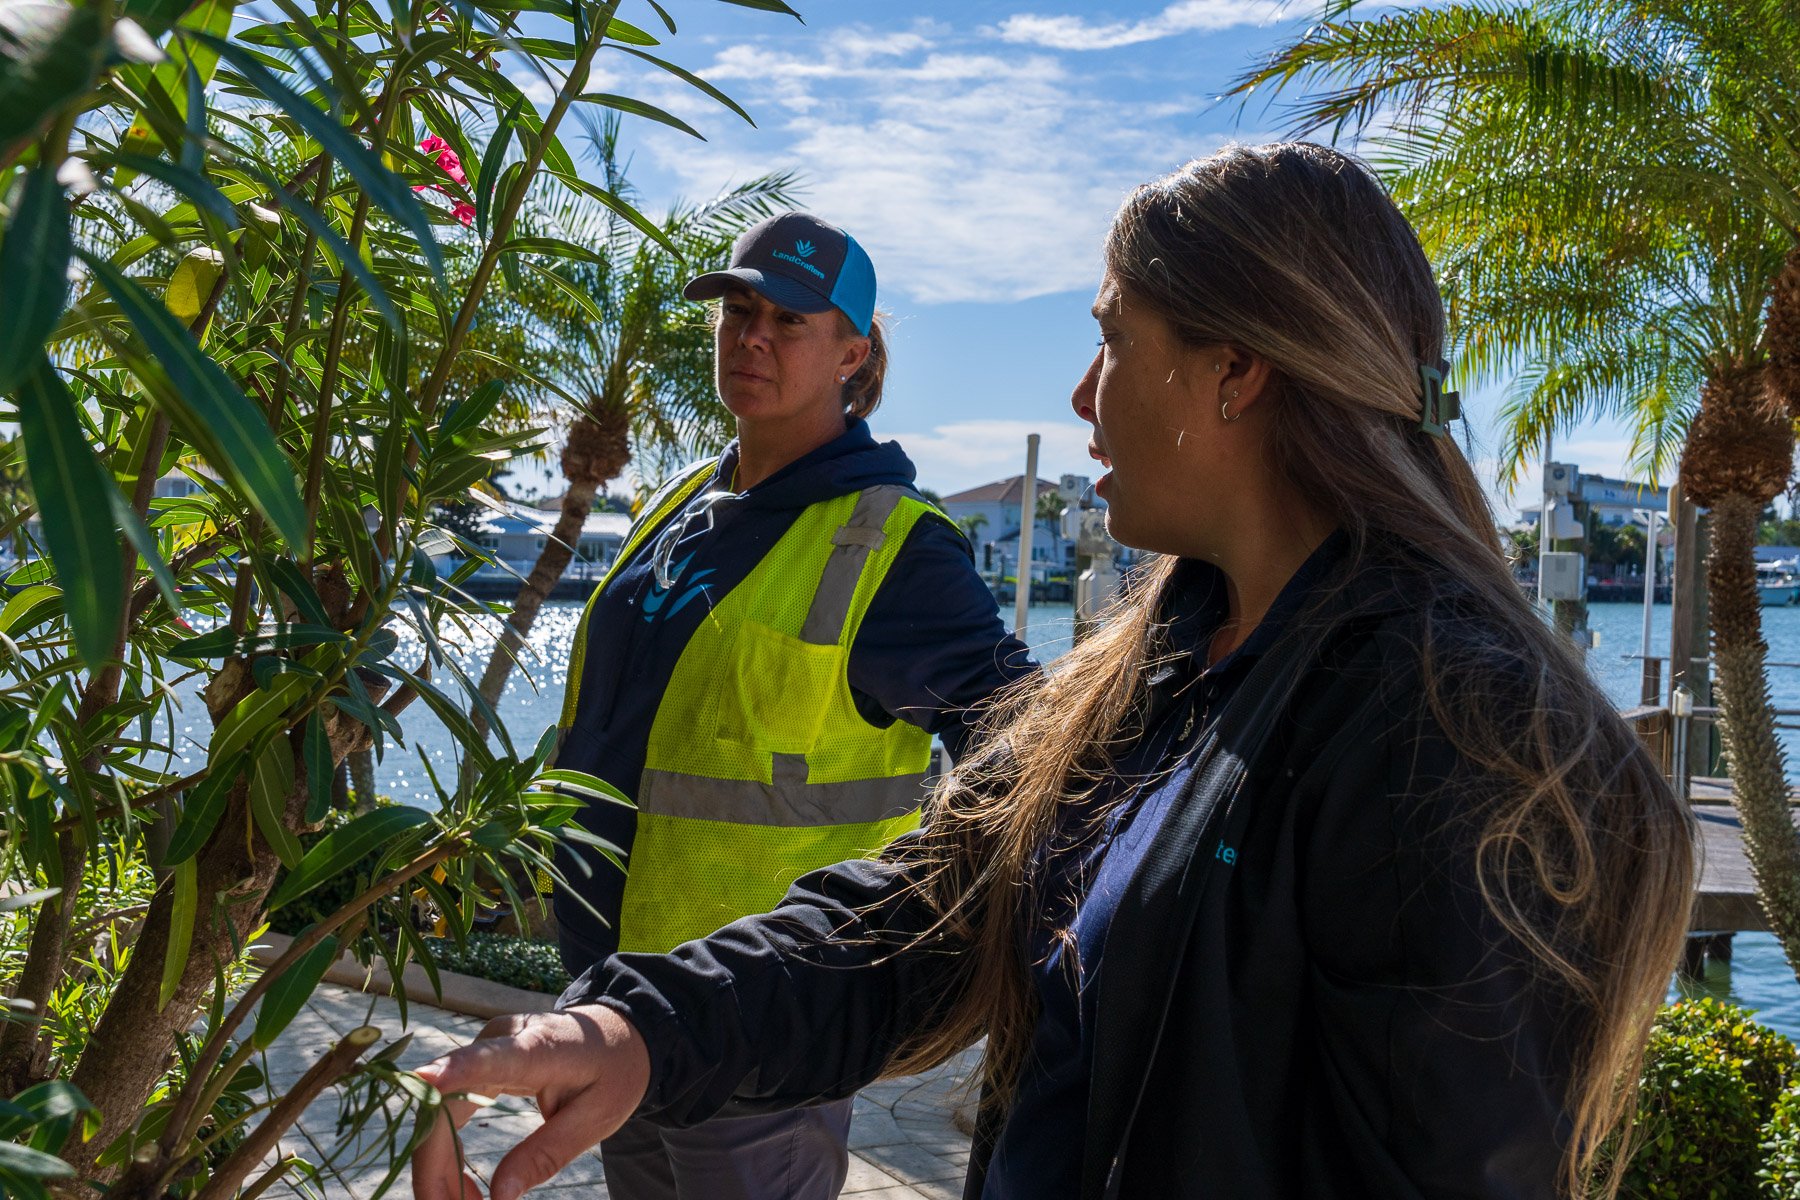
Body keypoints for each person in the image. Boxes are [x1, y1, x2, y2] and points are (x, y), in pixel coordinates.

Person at [411, 144, 1695, 1200]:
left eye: (1113, 339)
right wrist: (641, 1029)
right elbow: (935, 909)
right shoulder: (1160, 667)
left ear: (1237, 372)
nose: (1082, 395)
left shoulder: (1445, 737)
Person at [542, 210, 1033, 1199]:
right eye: (737, 310)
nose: (750, 336)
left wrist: (925, 940)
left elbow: (1023, 745)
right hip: (618, 999)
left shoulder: (893, 547)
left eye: (788, 320)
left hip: (755, 1026)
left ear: (853, 353)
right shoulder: (682, 507)